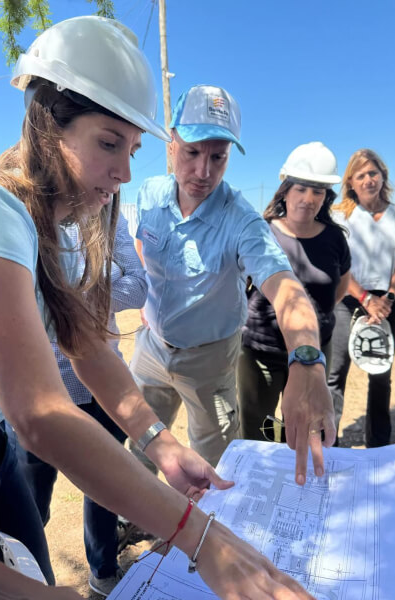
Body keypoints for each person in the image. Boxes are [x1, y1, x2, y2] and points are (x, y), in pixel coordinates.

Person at [0, 16, 316, 599]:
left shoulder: (58, 226)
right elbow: (37, 414)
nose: (122, 173)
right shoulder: (2, 215)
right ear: (47, 122)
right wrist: (200, 536)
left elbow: (85, 343)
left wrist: (161, 443)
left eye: (131, 149)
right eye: (108, 143)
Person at [130, 85, 334, 482]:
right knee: (141, 442)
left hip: (208, 360)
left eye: (217, 157)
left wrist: (307, 360)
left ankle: (211, 518)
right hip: (151, 347)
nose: (203, 172)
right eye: (192, 152)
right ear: (171, 144)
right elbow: (142, 244)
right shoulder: (150, 194)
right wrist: (145, 302)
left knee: (216, 459)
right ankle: (132, 511)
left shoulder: (242, 221)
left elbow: (285, 289)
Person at [8, 212, 145, 595]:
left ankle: (103, 570)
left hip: (103, 388)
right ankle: (27, 579)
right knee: (30, 502)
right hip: (40, 393)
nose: (121, 183)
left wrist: (64, 293)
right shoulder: (20, 216)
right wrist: (98, 288)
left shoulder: (108, 217)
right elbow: (23, 294)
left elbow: (137, 288)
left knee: (105, 488)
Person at [238, 142, 351, 441]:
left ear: (326, 197)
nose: (308, 199)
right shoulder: (262, 232)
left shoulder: (335, 239)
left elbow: (342, 285)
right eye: (301, 189)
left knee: (305, 428)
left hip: (315, 352)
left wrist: (315, 316)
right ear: (285, 191)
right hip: (262, 352)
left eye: (318, 192)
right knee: (258, 429)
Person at [327, 150, 395, 447]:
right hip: (348, 300)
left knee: (380, 373)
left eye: (373, 173)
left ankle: (378, 446)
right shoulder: (339, 216)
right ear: (350, 182)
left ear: (383, 176)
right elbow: (337, 264)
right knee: (335, 373)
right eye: (361, 175)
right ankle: (329, 442)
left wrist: (389, 296)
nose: (368, 180)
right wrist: (365, 298)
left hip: (390, 303)